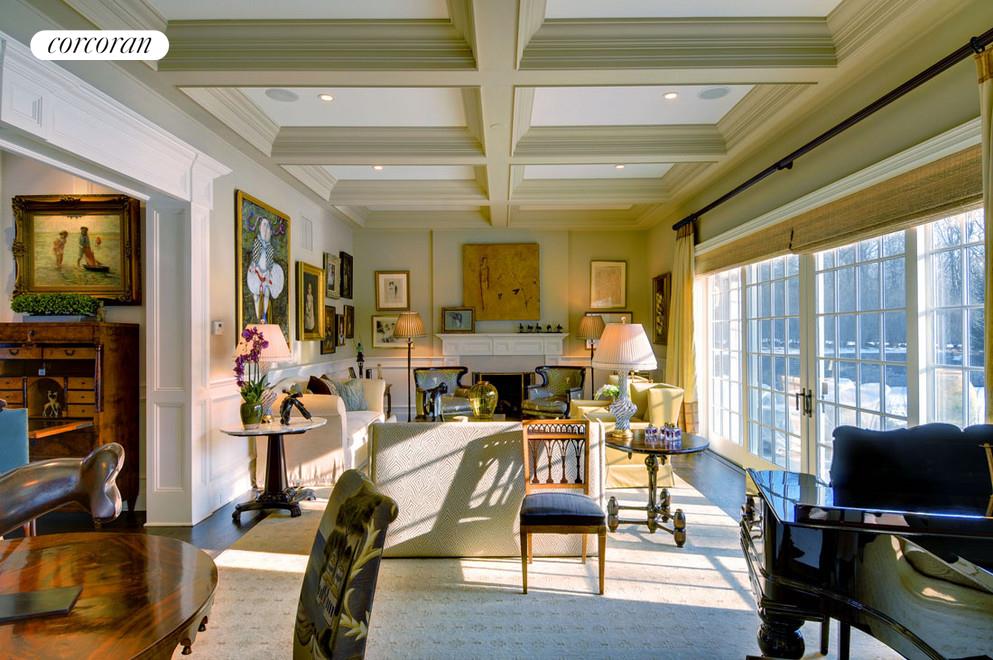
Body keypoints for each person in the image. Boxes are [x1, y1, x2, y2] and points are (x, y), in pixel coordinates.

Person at [246, 216, 285, 324]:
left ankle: (263, 316)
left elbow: (270, 263)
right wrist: (254, 267)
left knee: (266, 292)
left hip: (266, 273)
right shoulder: (257, 243)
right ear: (259, 227)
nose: (266, 228)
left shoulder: (270, 248)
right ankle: (257, 316)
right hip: (257, 271)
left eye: (267, 226)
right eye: (264, 224)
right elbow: (255, 258)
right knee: (256, 293)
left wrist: (268, 273)